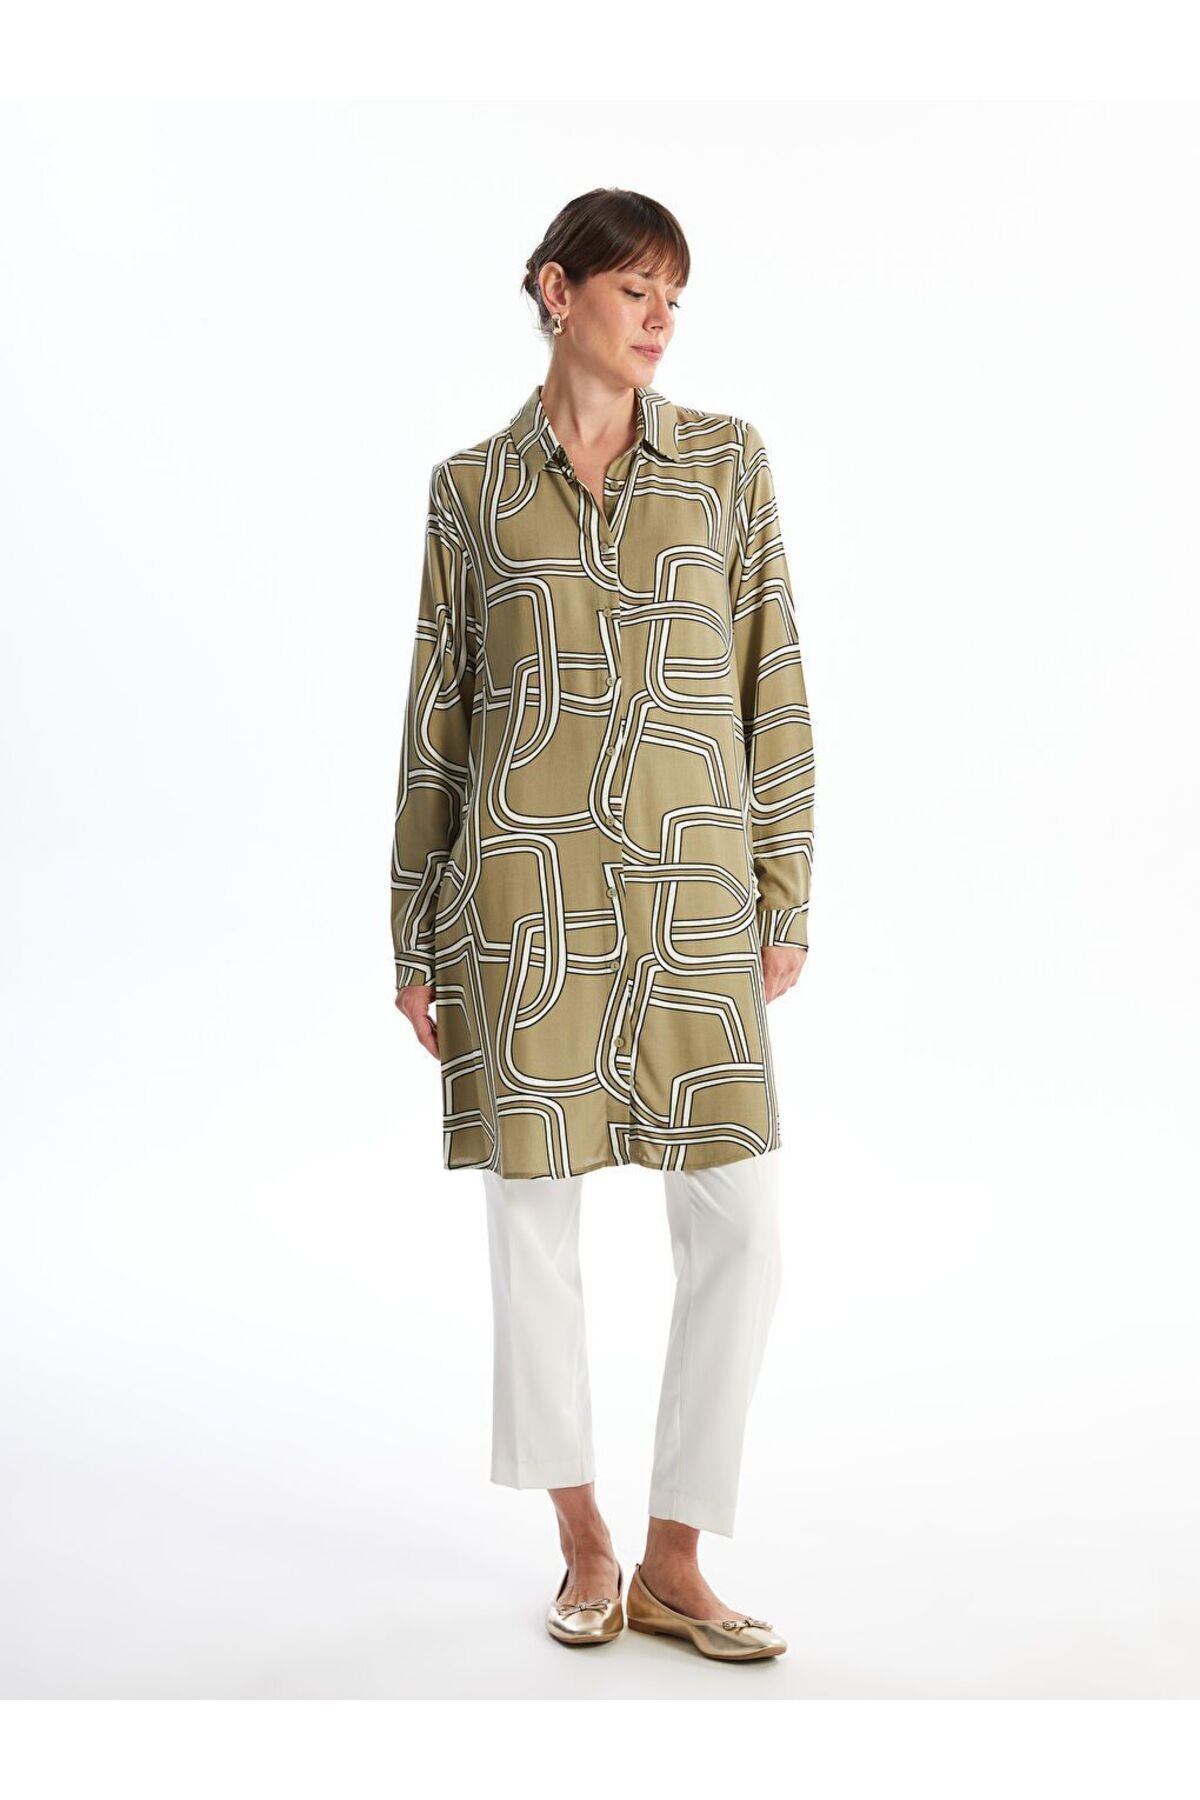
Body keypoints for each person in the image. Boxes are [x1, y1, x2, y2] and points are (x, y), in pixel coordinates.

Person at [390, 188, 814, 1661]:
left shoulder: (728, 466)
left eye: (674, 299)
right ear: (557, 291)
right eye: (637, 291)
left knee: (743, 1225)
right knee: (534, 1226)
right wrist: (412, 933)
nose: (660, 321)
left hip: (694, 901)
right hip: (524, 906)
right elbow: (439, 719)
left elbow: (772, 682)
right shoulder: (470, 492)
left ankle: (677, 1559)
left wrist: (785, 887)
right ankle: (583, 1541)